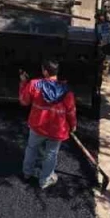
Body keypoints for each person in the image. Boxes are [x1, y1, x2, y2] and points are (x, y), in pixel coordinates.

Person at [19, 59, 76, 189]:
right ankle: (45, 180)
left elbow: (24, 101)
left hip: (37, 126)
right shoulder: (67, 91)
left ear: (45, 71)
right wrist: (72, 125)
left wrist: (23, 83)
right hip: (57, 129)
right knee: (51, 153)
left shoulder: (34, 84)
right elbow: (71, 111)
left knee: (31, 148)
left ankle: (27, 173)